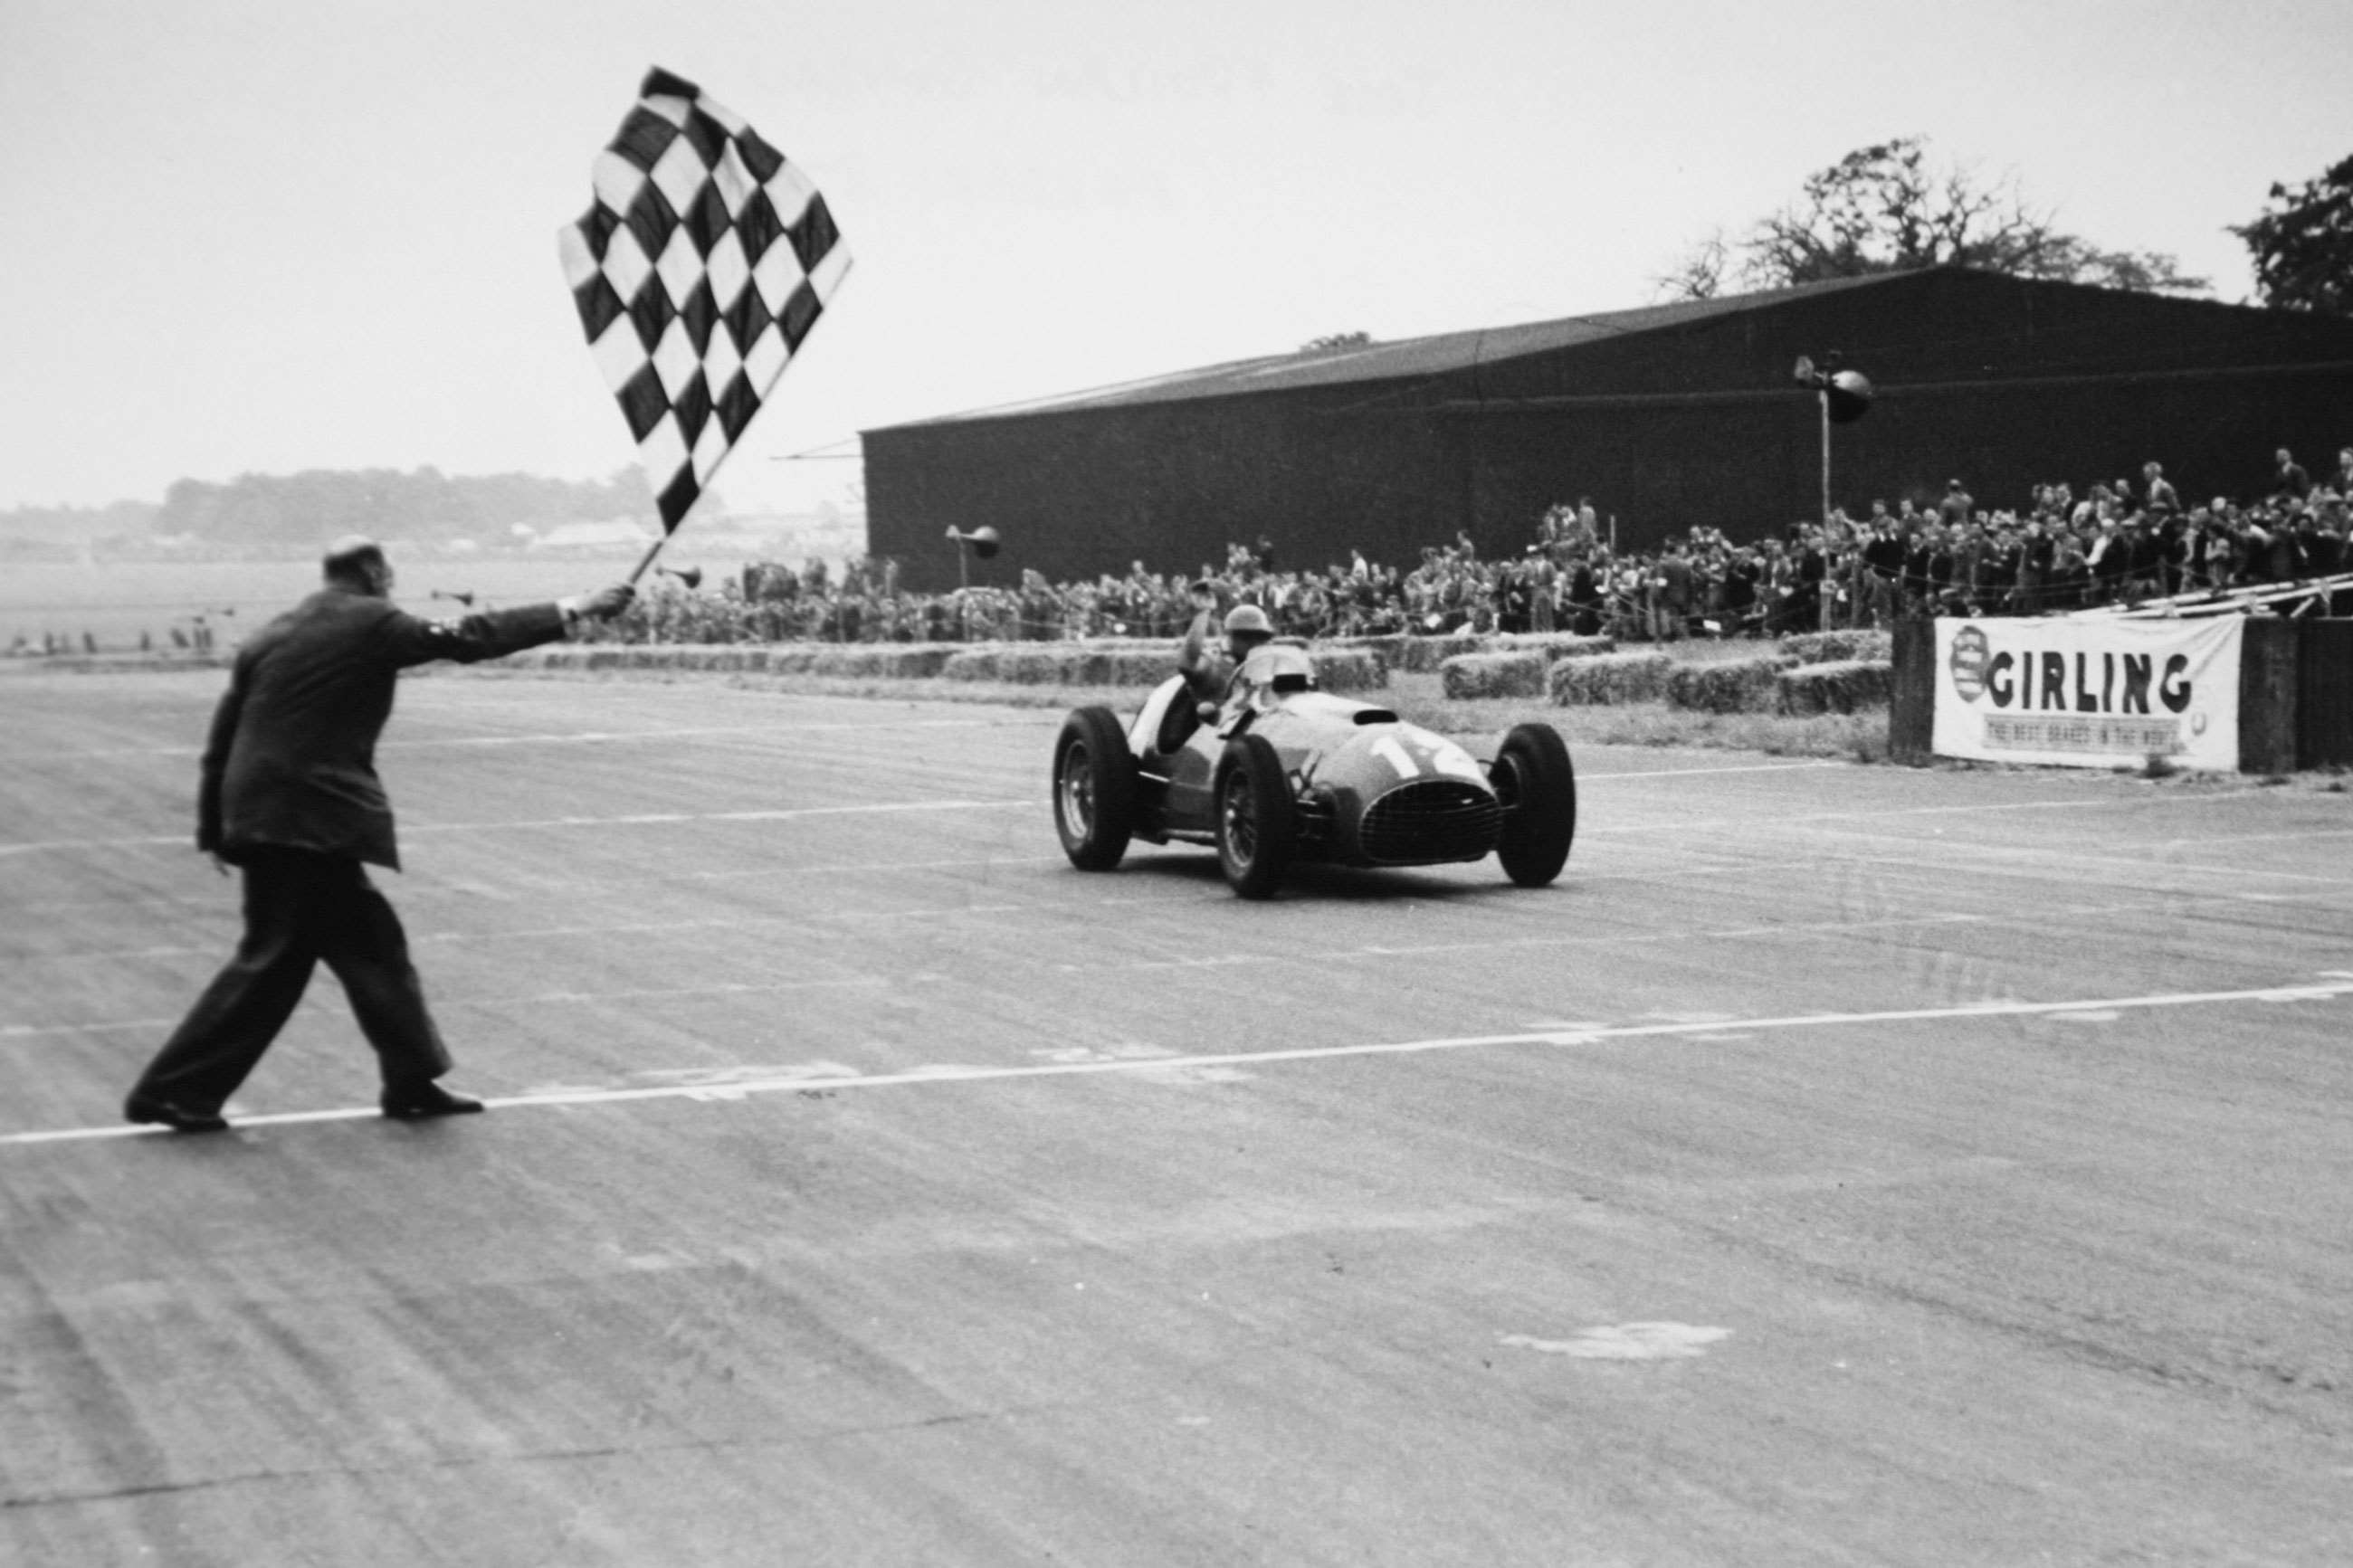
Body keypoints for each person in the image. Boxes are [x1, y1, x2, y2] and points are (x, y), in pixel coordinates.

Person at [122, 537, 635, 1133]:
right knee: (275, 958)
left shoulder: (273, 633)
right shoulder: (369, 621)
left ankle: (411, 1081)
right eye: (387, 572)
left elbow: (223, 737)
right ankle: (173, 1092)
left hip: (269, 814)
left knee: (370, 947)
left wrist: (215, 828)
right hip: (308, 816)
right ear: (372, 571)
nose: (391, 582)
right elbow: (470, 635)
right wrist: (577, 606)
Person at [1177, 587, 1276, 710]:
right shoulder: (1216, 669)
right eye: (1246, 637)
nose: (1255, 643)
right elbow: (1187, 664)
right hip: (1221, 721)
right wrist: (1204, 612)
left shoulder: (1270, 670)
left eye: (1262, 638)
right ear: (1231, 638)